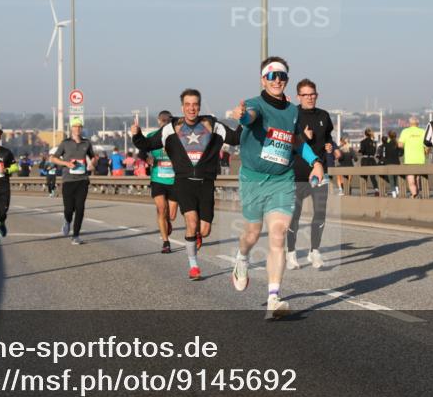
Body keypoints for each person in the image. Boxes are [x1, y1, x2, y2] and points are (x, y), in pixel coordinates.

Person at [230, 57, 324, 320]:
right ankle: (242, 257)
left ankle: (274, 297)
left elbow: (295, 141)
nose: (277, 80)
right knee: (251, 233)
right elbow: (249, 117)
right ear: (263, 80)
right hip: (253, 179)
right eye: (272, 76)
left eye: (282, 76)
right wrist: (241, 116)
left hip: (282, 179)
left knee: (278, 235)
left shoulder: (293, 112)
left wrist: (315, 161)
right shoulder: (254, 104)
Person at [132, 90, 241, 279]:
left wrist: (243, 120)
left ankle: (196, 236)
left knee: (204, 230)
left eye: (195, 104)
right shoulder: (171, 128)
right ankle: (193, 266)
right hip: (183, 183)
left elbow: (235, 139)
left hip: (206, 183)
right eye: (188, 104)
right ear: (182, 107)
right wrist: (137, 135)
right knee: (191, 222)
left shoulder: (212, 125)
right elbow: (147, 144)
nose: (192, 108)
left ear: (199, 106)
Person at [286, 78, 334, 270]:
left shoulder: (324, 115)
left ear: (317, 95)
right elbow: (288, 142)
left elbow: (328, 136)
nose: (309, 98)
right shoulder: (293, 115)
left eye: (312, 94)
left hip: (320, 172)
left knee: (320, 213)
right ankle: (291, 253)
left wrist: (330, 145)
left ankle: (315, 251)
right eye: (305, 95)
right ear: (299, 96)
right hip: (296, 173)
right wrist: (304, 137)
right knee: (294, 216)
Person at [50, 119, 97, 244]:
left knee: (80, 208)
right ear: (71, 128)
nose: (77, 129)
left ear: (82, 128)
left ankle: (75, 236)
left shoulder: (86, 143)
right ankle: (67, 220)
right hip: (68, 180)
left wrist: (92, 163)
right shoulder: (65, 143)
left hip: (82, 180)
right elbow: (53, 158)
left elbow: (93, 157)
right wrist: (66, 163)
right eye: (75, 127)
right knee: (69, 209)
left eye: (79, 127)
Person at [143, 110, 179, 254]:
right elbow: (141, 151)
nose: (164, 122)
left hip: (174, 180)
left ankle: (167, 222)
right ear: (159, 121)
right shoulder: (152, 137)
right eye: (162, 120)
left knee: (172, 215)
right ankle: (165, 242)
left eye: (167, 120)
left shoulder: (177, 138)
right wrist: (147, 159)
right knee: (161, 209)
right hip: (157, 179)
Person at [397, 115, 426, 198]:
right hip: (420, 159)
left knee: (411, 180)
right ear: (418, 123)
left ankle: (414, 195)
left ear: (409, 123)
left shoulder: (405, 131)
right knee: (417, 179)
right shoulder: (422, 131)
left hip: (409, 159)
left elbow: (400, 145)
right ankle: (417, 193)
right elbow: (427, 146)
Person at [380, 130, 402, 197]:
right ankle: (397, 190)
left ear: (389, 136)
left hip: (389, 163)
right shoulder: (397, 144)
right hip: (396, 163)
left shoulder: (386, 145)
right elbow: (401, 153)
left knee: (391, 179)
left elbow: (384, 155)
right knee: (395, 178)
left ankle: (394, 193)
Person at [359, 128, 380, 195]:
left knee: (364, 175)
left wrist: (359, 151)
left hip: (365, 160)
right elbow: (374, 151)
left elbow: (362, 150)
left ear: (365, 134)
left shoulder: (363, 142)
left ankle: (363, 190)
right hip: (372, 160)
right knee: (373, 176)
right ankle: (376, 189)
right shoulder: (374, 142)